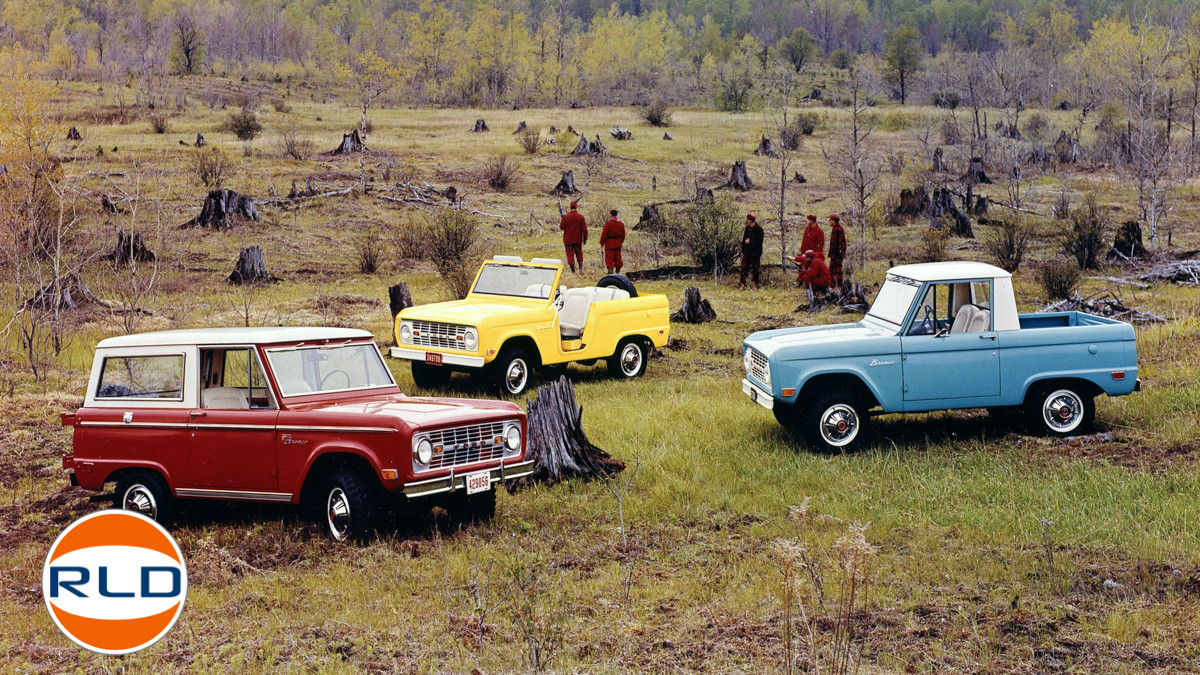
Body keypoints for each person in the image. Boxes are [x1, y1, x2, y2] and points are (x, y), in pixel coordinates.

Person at [559, 201, 588, 273]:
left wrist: (562, 219)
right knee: (579, 253)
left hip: (568, 240)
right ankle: (581, 269)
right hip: (577, 240)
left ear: (570, 207)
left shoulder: (565, 217)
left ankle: (573, 271)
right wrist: (585, 239)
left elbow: (561, 227)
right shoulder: (581, 217)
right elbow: (585, 230)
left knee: (570, 255)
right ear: (576, 207)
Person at [739, 212, 763, 290]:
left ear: (750, 220)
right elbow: (744, 240)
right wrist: (743, 250)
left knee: (755, 268)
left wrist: (751, 241)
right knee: (744, 267)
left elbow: (759, 242)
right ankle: (743, 284)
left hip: (755, 252)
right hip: (747, 251)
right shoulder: (747, 228)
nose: (747, 221)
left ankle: (755, 284)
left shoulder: (759, 229)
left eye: (748, 220)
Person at [600, 209, 626, 274]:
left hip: (609, 243)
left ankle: (610, 271)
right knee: (618, 257)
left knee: (609, 257)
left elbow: (604, 234)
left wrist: (602, 242)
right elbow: (623, 235)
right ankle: (618, 271)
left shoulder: (608, 224)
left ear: (611, 215)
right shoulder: (621, 224)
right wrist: (620, 242)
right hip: (618, 242)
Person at [827, 213, 847, 288]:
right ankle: (833, 285)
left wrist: (838, 254)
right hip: (835, 254)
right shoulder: (836, 229)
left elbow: (840, 244)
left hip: (837, 255)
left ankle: (838, 285)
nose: (829, 222)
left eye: (830, 220)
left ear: (834, 221)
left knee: (837, 270)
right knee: (833, 269)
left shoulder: (838, 230)